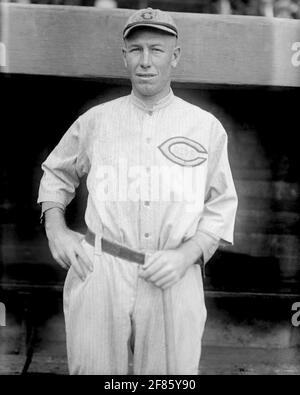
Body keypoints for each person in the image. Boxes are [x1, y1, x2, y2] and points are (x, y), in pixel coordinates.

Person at [37, 8, 238, 375]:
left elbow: (222, 204)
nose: (146, 61)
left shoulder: (205, 127)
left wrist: (188, 253)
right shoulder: (96, 120)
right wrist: (56, 230)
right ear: (124, 56)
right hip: (101, 264)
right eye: (137, 50)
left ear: (174, 57)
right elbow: (56, 173)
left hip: (172, 271)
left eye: (157, 50)